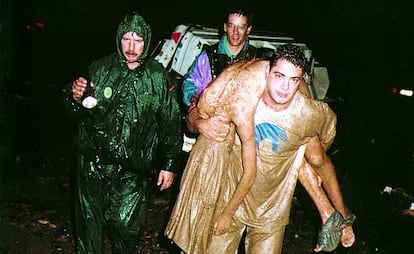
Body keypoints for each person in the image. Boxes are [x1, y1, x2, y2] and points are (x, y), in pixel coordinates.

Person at [177, 7, 355, 253]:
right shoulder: (237, 88)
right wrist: (200, 122)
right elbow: (195, 106)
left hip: (270, 206)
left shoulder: (304, 109)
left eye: (293, 81)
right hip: (234, 186)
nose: (284, 87)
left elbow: (323, 149)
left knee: (309, 152)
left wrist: (303, 155)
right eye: (279, 77)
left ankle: (336, 215)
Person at [63, 12, 183, 254]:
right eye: (126, 39)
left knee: (126, 229)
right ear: (118, 39)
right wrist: (74, 97)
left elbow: (170, 123)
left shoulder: (157, 77)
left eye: (137, 40)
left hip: (132, 167)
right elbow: (75, 112)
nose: (131, 47)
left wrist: (169, 164)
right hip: (92, 163)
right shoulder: (100, 68)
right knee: (89, 226)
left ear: (146, 42)